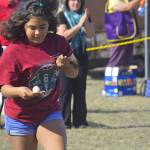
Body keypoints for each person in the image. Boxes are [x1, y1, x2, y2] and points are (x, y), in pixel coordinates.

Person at [0, 0, 79, 150]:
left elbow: (74, 72)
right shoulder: (14, 50)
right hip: (20, 117)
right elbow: (3, 87)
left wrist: (66, 65)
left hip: (49, 112)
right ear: (23, 26)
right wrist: (19, 91)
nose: (38, 32)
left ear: (49, 24)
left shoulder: (58, 43)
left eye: (42, 27)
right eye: (32, 28)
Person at [57, 0, 94, 128]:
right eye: (73, 0)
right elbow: (62, 36)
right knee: (65, 90)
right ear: (67, 2)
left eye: (79, 0)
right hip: (66, 57)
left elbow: (91, 34)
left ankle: (80, 121)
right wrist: (79, 25)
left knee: (80, 90)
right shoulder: (62, 15)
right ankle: (64, 122)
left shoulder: (84, 14)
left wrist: (85, 22)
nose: (76, 2)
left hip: (82, 56)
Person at [105, 0, 140, 67]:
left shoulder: (125, 1)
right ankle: (110, 77)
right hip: (117, 37)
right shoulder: (113, 1)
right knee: (115, 61)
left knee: (128, 61)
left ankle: (127, 76)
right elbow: (126, 7)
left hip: (128, 35)